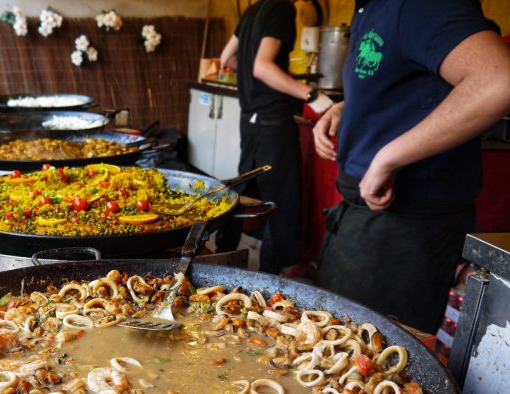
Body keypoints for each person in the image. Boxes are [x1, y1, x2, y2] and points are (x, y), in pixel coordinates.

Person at [312, 0, 510, 332]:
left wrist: (391, 155)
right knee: (331, 346)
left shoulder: (418, 4)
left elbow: (498, 80)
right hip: (364, 223)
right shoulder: (372, 7)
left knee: (374, 367)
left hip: (405, 234)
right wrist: (349, 107)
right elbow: (410, 84)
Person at [218, 0, 332, 274]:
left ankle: (222, 258)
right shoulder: (282, 9)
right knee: (281, 199)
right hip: (272, 121)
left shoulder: (253, 11)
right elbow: (262, 67)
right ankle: (277, 272)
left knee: (242, 192)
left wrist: (265, 82)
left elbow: (227, 59)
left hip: (250, 121)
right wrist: (312, 95)